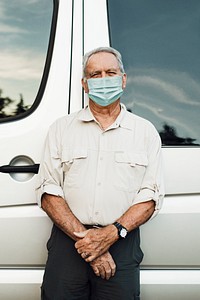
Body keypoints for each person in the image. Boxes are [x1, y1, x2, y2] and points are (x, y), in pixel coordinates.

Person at [36, 46, 164, 300]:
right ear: (84, 84)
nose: (104, 80)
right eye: (95, 75)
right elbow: (48, 192)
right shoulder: (61, 129)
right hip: (68, 242)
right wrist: (89, 242)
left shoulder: (145, 132)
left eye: (110, 72)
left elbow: (150, 197)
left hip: (122, 242)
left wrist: (110, 235)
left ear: (123, 79)